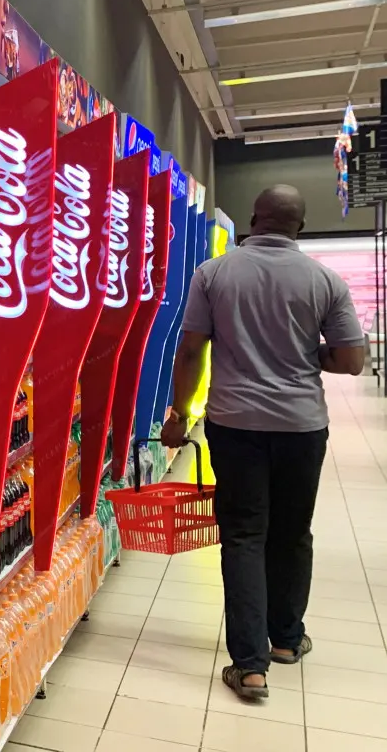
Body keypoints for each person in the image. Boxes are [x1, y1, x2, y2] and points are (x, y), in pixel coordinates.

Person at [161, 184, 365, 701]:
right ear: (301, 225)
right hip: (301, 427)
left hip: (236, 425)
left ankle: (249, 666)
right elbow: (350, 359)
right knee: (293, 533)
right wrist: (307, 355)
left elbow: (190, 351)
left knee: (244, 536)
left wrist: (180, 415)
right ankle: (288, 642)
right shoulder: (325, 280)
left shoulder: (215, 273)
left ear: (254, 219)